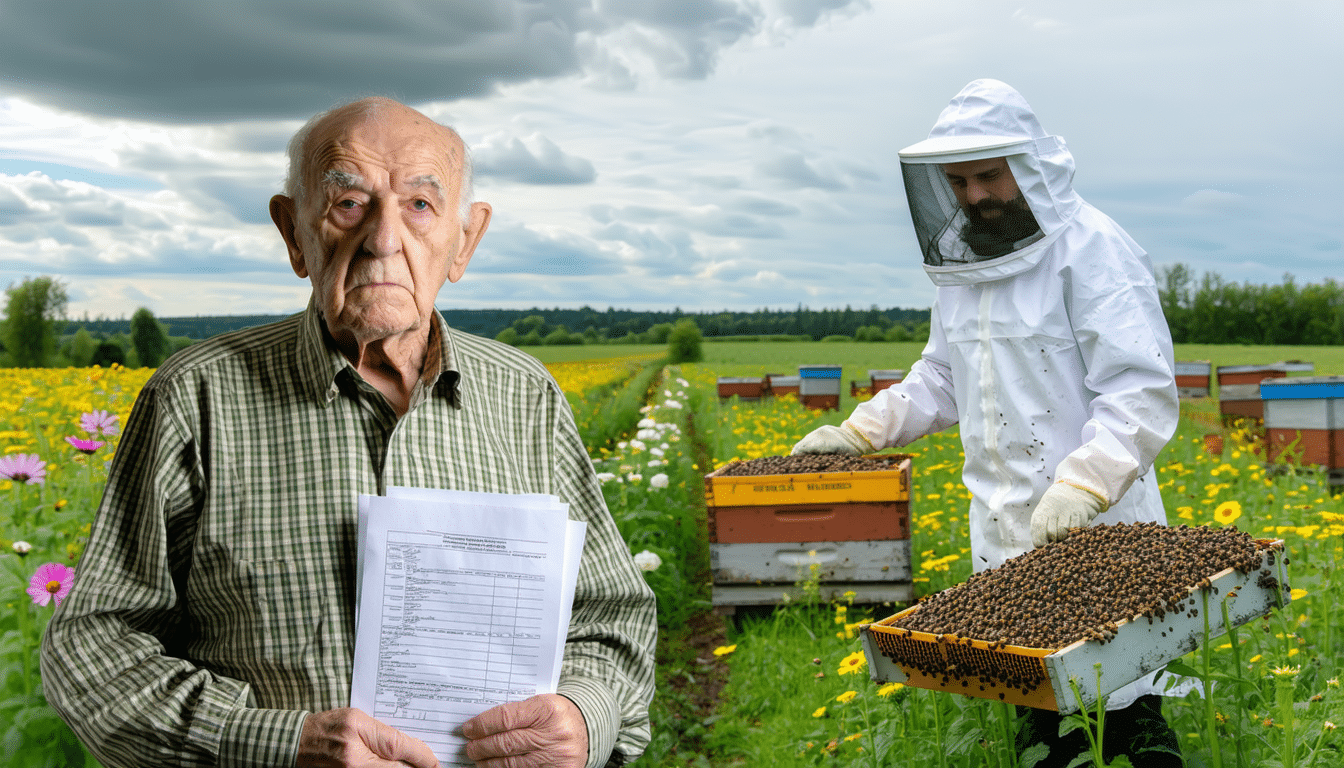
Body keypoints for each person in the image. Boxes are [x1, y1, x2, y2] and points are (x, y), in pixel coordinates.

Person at [41, 97, 657, 768]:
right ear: (294, 233)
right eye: (349, 203)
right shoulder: (197, 397)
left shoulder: (525, 395)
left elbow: (613, 618)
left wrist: (585, 717)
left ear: (465, 240)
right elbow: (93, 644)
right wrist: (277, 745)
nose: (384, 239)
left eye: (420, 206)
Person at [792, 79, 1184, 766]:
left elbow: (1140, 387)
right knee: (1045, 727)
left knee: (1125, 719)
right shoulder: (967, 269)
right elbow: (941, 378)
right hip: (1004, 533)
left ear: (1028, 167)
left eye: (988, 176)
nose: (975, 195)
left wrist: (1086, 484)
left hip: (1098, 530)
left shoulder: (1092, 250)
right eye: (960, 181)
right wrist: (860, 433)